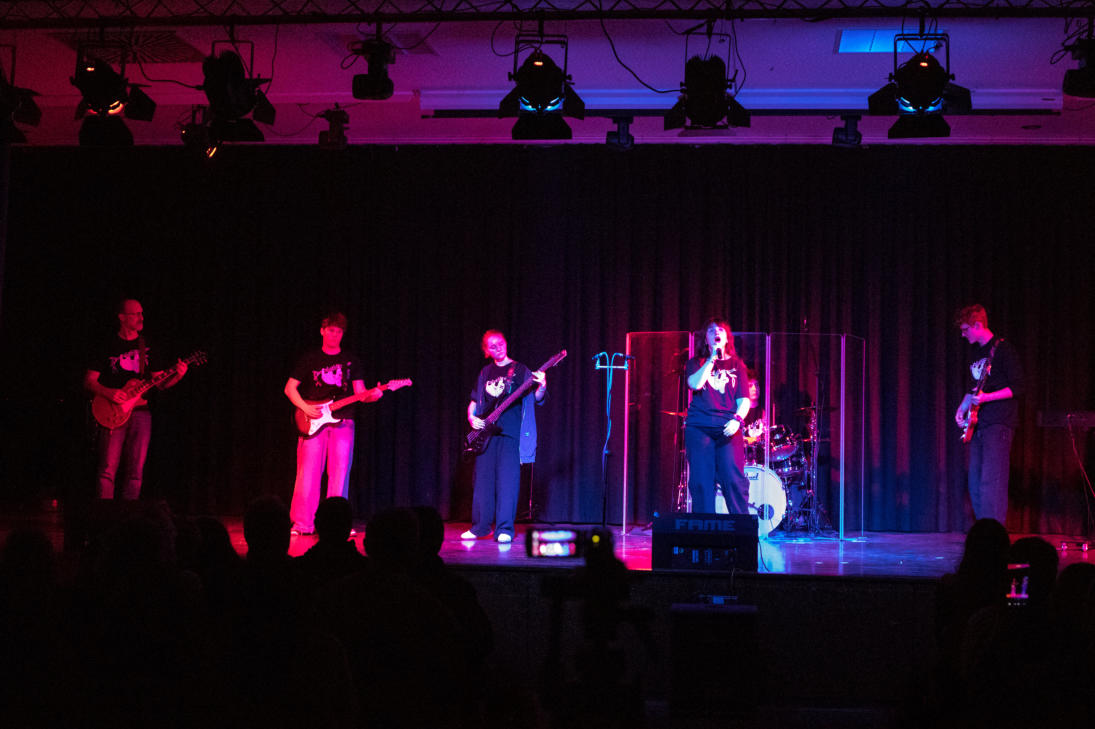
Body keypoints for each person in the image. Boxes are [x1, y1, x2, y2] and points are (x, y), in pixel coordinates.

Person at [285, 312, 382, 535]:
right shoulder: (310, 359)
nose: (334, 335)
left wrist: (374, 395)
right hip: (313, 420)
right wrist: (305, 407)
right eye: (331, 330)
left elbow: (360, 393)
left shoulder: (351, 361)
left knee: (340, 474)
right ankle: (303, 523)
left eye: (339, 332)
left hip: (343, 421)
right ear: (322, 331)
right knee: (308, 474)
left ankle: (337, 525)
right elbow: (289, 388)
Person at [84, 298, 188, 500]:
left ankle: (129, 514)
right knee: (107, 469)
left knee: (136, 472)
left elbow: (160, 383)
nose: (141, 318)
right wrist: (109, 392)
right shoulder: (106, 345)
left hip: (140, 412)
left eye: (141, 313)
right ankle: (105, 512)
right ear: (122, 317)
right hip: (112, 412)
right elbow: (89, 381)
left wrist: (178, 375)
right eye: (136, 314)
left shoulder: (147, 346)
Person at [463, 330, 546, 544]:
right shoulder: (485, 372)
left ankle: (505, 529)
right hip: (486, 435)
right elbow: (474, 402)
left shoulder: (520, 370)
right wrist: (472, 418)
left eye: (500, 343)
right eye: (492, 346)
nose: (498, 348)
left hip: (511, 435)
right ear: (486, 351)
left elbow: (537, 397)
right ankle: (480, 527)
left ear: (505, 343)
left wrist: (542, 385)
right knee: (482, 482)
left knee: (508, 483)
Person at [954, 305, 1023, 525]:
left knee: (992, 483)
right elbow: (974, 389)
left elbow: (1018, 387)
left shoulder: (1003, 350)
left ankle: (994, 534)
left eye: (965, 330)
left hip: (999, 422)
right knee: (975, 483)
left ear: (978, 325)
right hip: (979, 425)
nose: (963, 335)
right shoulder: (976, 354)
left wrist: (987, 398)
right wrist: (962, 407)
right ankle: (985, 530)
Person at [684, 318, 751, 514]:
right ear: (706, 339)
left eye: (720, 330)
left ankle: (740, 528)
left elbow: (744, 400)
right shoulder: (695, 363)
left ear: (727, 338)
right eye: (711, 330)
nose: (716, 333)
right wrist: (712, 358)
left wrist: (737, 420)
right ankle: (705, 528)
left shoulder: (737, 365)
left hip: (728, 427)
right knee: (701, 482)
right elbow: (695, 384)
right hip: (699, 427)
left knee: (733, 479)